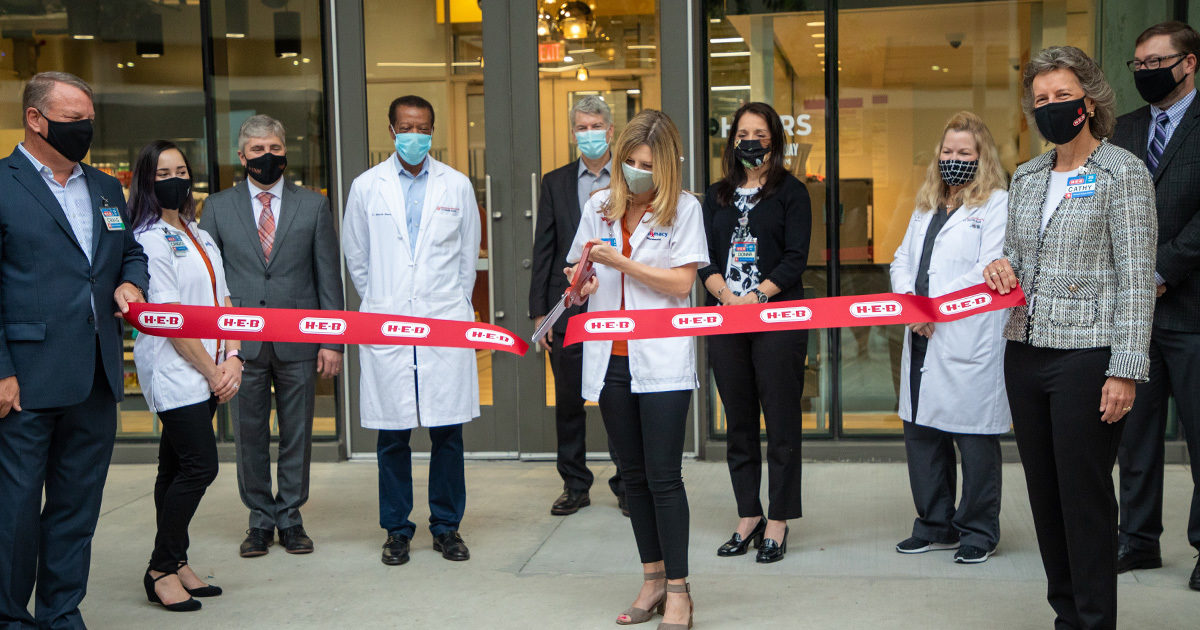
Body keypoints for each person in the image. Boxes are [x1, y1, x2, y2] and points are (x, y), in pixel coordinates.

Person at [986, 46, 1156, 629]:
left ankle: (1093, 620)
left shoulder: (1123, 173)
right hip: (1025, 353)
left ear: (1089, 99)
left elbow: (1136, 278)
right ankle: (1067, 617)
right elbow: (1016, 254)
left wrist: (1126, 369)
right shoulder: (1029, 176)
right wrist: (1000, 267)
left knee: (1084, 500)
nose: (1051, 107)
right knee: (1045, 499)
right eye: (1040, 100)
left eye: (1062, 96)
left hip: (1089, 359)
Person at [0, 72, 148, 628]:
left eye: (88, 118)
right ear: (35, 120)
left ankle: (61, 613)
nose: (84, 129)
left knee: (76, 508)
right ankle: (10, 617)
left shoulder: (106, 188)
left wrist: (132, 283)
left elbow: (130, 252)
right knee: (14, 512)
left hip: (96, 375)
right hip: (26, 381)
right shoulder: (4, 183)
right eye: (72, 120)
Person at [568, 109, 708, 629]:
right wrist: (581, 280)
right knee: (632, 478)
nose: (635, 170)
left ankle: (679, 590)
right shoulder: (599, 206)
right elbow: (581, 268)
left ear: (666, 166)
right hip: (612, 361)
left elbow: (680, 285)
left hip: (663, 360)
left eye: (647, 162)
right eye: (628, 160)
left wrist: (619, 262)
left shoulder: (684, 209)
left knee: (663, 477)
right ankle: (651, 580)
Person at [343, 95, 481, 566]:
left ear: (432, 132)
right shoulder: (366, 187)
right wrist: (387, 299)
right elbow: (358, 259)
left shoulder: (457, 186)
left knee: (447, 432)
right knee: (393, 435)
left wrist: (446, 303)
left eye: (422, 128)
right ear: (391, 130)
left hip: (444, 319)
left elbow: (468, 261)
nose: (415, 135)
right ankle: (396, 529)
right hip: (388, 318)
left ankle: (446, 526)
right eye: (406, 127)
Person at [199, 115, 344, 558]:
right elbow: (210, 281)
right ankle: (260, 519)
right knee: (249, 432)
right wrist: (220, 346)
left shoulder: (314, 205)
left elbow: (327, 276)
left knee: (298, 432)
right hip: (241, 344)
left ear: (286, 152)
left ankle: (292, 517)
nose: (268, 156)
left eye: (275, 148)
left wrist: (332, 340)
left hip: (300, 339)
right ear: (241, 157)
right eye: (258, 150)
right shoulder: (218, 208)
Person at [890, 112, 1010, 564]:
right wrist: (910, 302)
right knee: (921, 434)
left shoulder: (996, 203)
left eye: (964, 153)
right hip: (921, 333)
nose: (954, 159)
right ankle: (934, 524)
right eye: (948, 152)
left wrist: (932, 306)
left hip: (964, 334)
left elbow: (989, 267)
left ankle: (978, 530)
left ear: (982, 158)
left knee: (973, 439)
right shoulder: (927, 204)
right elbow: (902, 258)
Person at [698, 101, 812, 564]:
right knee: (739, 421)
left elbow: (795, 257)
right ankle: (749, 514)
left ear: (775, 140)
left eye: (761, 134)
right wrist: (725, 296)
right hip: (726, 319)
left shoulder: (792, 192)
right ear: (731, 141)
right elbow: (701, 254)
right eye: (743, 133)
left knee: (781, 419)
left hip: (777, 320)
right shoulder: (716, 195)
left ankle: (779, 519)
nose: (751, 141)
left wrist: (757, 297)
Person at [130, 141, 242, 612]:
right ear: (146, 180)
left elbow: (224, 300)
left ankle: (177, 563)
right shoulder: (149, 237)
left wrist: (234, 354)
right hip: (178, 371)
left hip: (213, 365)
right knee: (201, 466)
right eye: (163, 172)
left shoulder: (198, 231)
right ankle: (159, 568)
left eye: (180, 170)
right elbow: (172, 316)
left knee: (173, 468)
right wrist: (212, 370)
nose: (174, 178)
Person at [1109, 20, 1200, 591]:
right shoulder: (1122, 130)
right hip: (1135, 317)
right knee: (1134, 437)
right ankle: (1137, 541)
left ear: (1188, 62)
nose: (1146, 72)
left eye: (1156, 62)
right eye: (1138, 65)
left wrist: (1162, 267)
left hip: (1192, 313)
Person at [529, 95, 625, 517]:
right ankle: (574, 484)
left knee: (618, 398)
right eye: (582, 127)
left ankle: (627, 482)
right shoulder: (555, 182)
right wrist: (541, 312)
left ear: (611, 130)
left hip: (615, 307)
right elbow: (545, 248)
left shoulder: (629, 178)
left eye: (596, 125)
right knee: (568, 400)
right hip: (567, 308)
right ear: (573, 134)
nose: (589, 133)